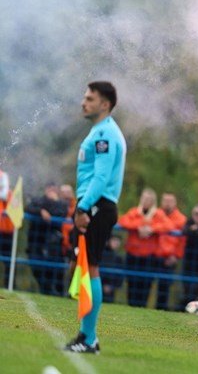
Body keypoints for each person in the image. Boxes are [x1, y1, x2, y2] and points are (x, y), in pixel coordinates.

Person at [63, 81, 126, 354]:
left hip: (97, 206)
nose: (83, 102)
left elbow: (100, 178)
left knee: (91, 269)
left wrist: (83, 208)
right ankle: (88, 336)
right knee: (88, 268)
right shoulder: (101, 131)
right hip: (95, 205)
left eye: (90, 98)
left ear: (105, 104)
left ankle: (88, 339)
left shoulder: (104, 134)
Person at [118, 188, 173, 308]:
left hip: (149, 256)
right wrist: (138, 227)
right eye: (144, 198)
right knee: (131, 282)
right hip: (133, 254)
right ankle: (130, 306)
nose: (146, 201)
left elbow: (168, 225)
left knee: (146, 284)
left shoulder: (158, 214)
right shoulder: (134, 212)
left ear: (153, 201)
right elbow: (123, 221)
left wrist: (151, 229)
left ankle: (142, 307)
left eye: (149, 199)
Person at [26, 183, 68, 296]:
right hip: (36, 241)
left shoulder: (61, 204)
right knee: (37, 268)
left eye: (54, 189)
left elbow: (61, 213)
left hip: (53, 244)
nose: (51, 191)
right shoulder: (38, 200)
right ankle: (46, 290)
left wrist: (53, 203)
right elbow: (29, 208)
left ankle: (54, 293)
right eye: (49, 188)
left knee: (54, 271)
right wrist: (41, 211)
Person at [155, 192, 187, 311]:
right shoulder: (155, 214)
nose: (167, 203)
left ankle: (161, 310)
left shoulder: (181, 219)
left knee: (165, 287)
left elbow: (182, 241)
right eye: (165, 200)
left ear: (175, 203)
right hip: (153, 255)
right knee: (143, 282)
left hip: (169, 258)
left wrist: (176, 255)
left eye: (170, 201)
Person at [100, 235, 125, 304]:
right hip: (99, 285)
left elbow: (120, 275)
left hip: (111, 289)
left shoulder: (119, 258)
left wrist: (112, 286)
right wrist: (103, 284)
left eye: (118, 241)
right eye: (114, 240)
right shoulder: (102, 255)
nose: (116, 243)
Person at [0, 168, 13, 288]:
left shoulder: (3, 175)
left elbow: (3, 195)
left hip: (5, 228)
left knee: (8, 259)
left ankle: (7, 285)